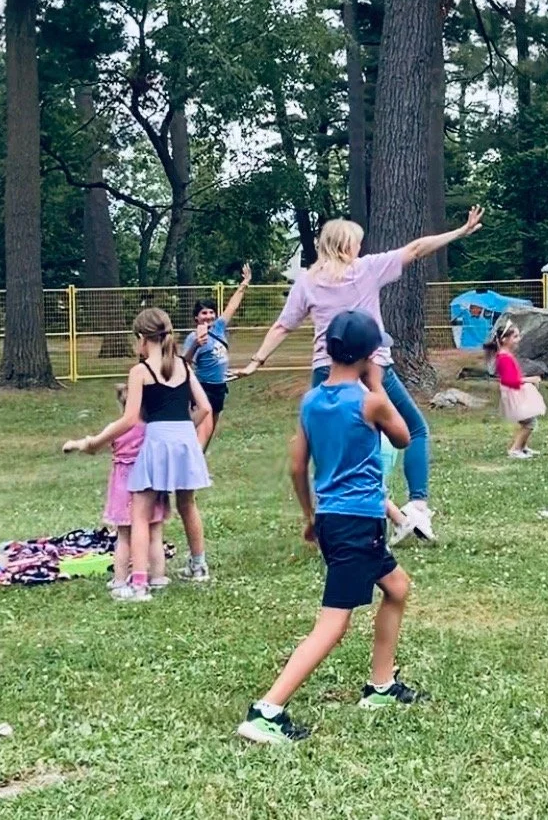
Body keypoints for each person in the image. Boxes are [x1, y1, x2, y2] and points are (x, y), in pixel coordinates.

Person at [236, 207, 485, 530]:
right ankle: (416, 506)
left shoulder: (307, 282)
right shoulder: (366, 269)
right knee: (415, 430)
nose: (360, 249)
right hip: (372, 368)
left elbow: (283, 326)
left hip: (327, 373)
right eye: (356, 243)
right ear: (345, 246)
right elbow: (416, 249)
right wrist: (458, 232)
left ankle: (335, 516)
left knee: (327, 451)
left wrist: (257, 361)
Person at [236, 310, 419, 744]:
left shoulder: (311, 401)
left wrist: (310, 517)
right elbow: (403, 438)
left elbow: (298, 467)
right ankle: (268, 710)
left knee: (397, 588)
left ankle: (381, 687)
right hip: (359, 522)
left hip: (337, 519)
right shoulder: (368, 399)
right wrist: (376, 384)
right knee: (333, 623)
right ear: (369, 355)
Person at [64, 308, 213, 600]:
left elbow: (130, 419)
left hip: (157, 443)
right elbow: (205, 408)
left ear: (142, 338)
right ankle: (199, 566)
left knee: (141, 514)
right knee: (187, 503)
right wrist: (182, 428)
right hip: (185, 441)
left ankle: (140, 583)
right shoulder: (183, 365)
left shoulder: (139, 371)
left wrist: (94, 442)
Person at [65, 383, 171, 599]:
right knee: (155, 534)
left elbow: (94, 446)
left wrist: (76, 444)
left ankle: (120, 580)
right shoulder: (151, 428)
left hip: (123, 486)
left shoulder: (117, 428)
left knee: (123, 536)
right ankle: (158, 577)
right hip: (151, 484)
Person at [183, 263, 251, 450]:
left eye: (211, 312)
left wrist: (244, 284)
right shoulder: (192, 337)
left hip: (219, 388)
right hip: (203, 389)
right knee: (202, 431)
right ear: (196, 318)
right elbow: (185, 362)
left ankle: (198, 465)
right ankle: (192, 470)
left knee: (209, 431)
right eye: (204, 313)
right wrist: (197, 343)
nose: (208, 316)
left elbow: (232, 306)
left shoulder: (219, 328)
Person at [483, 319, 545, 459]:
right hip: (514, 393)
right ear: (505, 339)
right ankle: (515, 449)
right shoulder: (504, 357)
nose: (519, 339)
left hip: (517, 392)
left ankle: (523, 447)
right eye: (515, 336)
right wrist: (531, 379)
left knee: (528, 420)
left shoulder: (506, 355)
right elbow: (510, 380)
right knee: (529, 422)